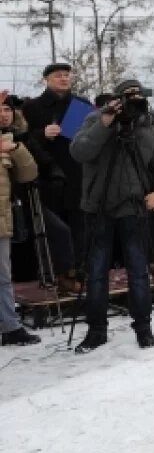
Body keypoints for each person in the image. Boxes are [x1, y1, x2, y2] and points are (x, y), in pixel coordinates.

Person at [70, 79, 154, 352]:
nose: (133, 100)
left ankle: (143, 328)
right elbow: (79, 151)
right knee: (95, 273)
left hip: (134, 208)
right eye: (128, 96)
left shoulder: (149, 130)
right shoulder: (96, 120)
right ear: (116, 99)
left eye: (138, 96)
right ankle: (96, 330)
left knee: (139, 272)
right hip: (98, 208)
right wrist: (105, 123)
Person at [21, 62, 87, 280]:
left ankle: (78, 274)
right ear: (46, 80)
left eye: (67, 75)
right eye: (58, 75)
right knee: (55, 231)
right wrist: (42, 134)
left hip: (78, 175)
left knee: (80, 228)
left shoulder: (81, 105)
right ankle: (54, 275)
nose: (64, 79)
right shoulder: (32, 107)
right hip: (48, 177)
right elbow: (24, 139)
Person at [1, 90, 41, 346]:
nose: (3, 113)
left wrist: (14, 148)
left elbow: (29, 173)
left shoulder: (11, 140)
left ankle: (10, 328)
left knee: (3, 278)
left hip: (1, 220)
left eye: (7, 109)